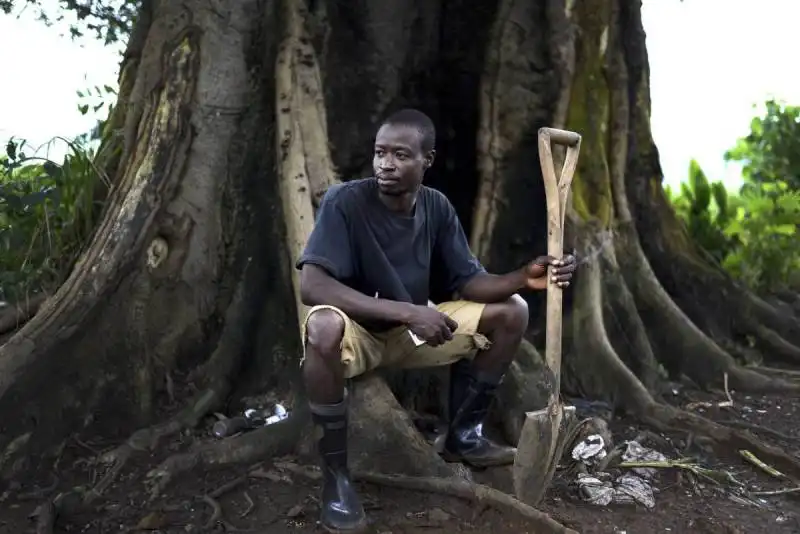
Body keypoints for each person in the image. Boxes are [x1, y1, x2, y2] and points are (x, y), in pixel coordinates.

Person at [296, 108, 576, 532]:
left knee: (512, 310)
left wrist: (523, 276)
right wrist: (410, 311)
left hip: (416, 333)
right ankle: (336, 480)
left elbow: (469, 281)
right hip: (361, 333)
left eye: (400, 155)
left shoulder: (436, 207)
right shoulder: (345, 201)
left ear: (427, 160)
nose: (385, 164)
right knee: (321, 327)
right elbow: (312, 287)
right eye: (379, 153)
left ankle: (464, 434)